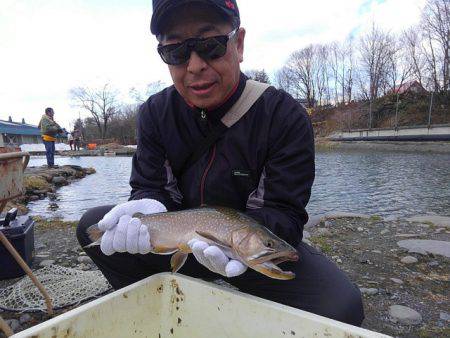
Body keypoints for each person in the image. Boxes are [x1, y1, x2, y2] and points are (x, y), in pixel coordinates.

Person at [77, 0, 364, 326]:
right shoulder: (154, 114)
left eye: (210, 45)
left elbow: (285, 214)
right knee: (95, 228)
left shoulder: (283, 116)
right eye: (176, 51)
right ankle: (161, 312)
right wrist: (146, 204)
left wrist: (236, 247)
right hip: (177, 246)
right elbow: (152, 188)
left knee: (342, 307)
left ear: (238, 44)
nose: (195, 65)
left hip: (244, 257)